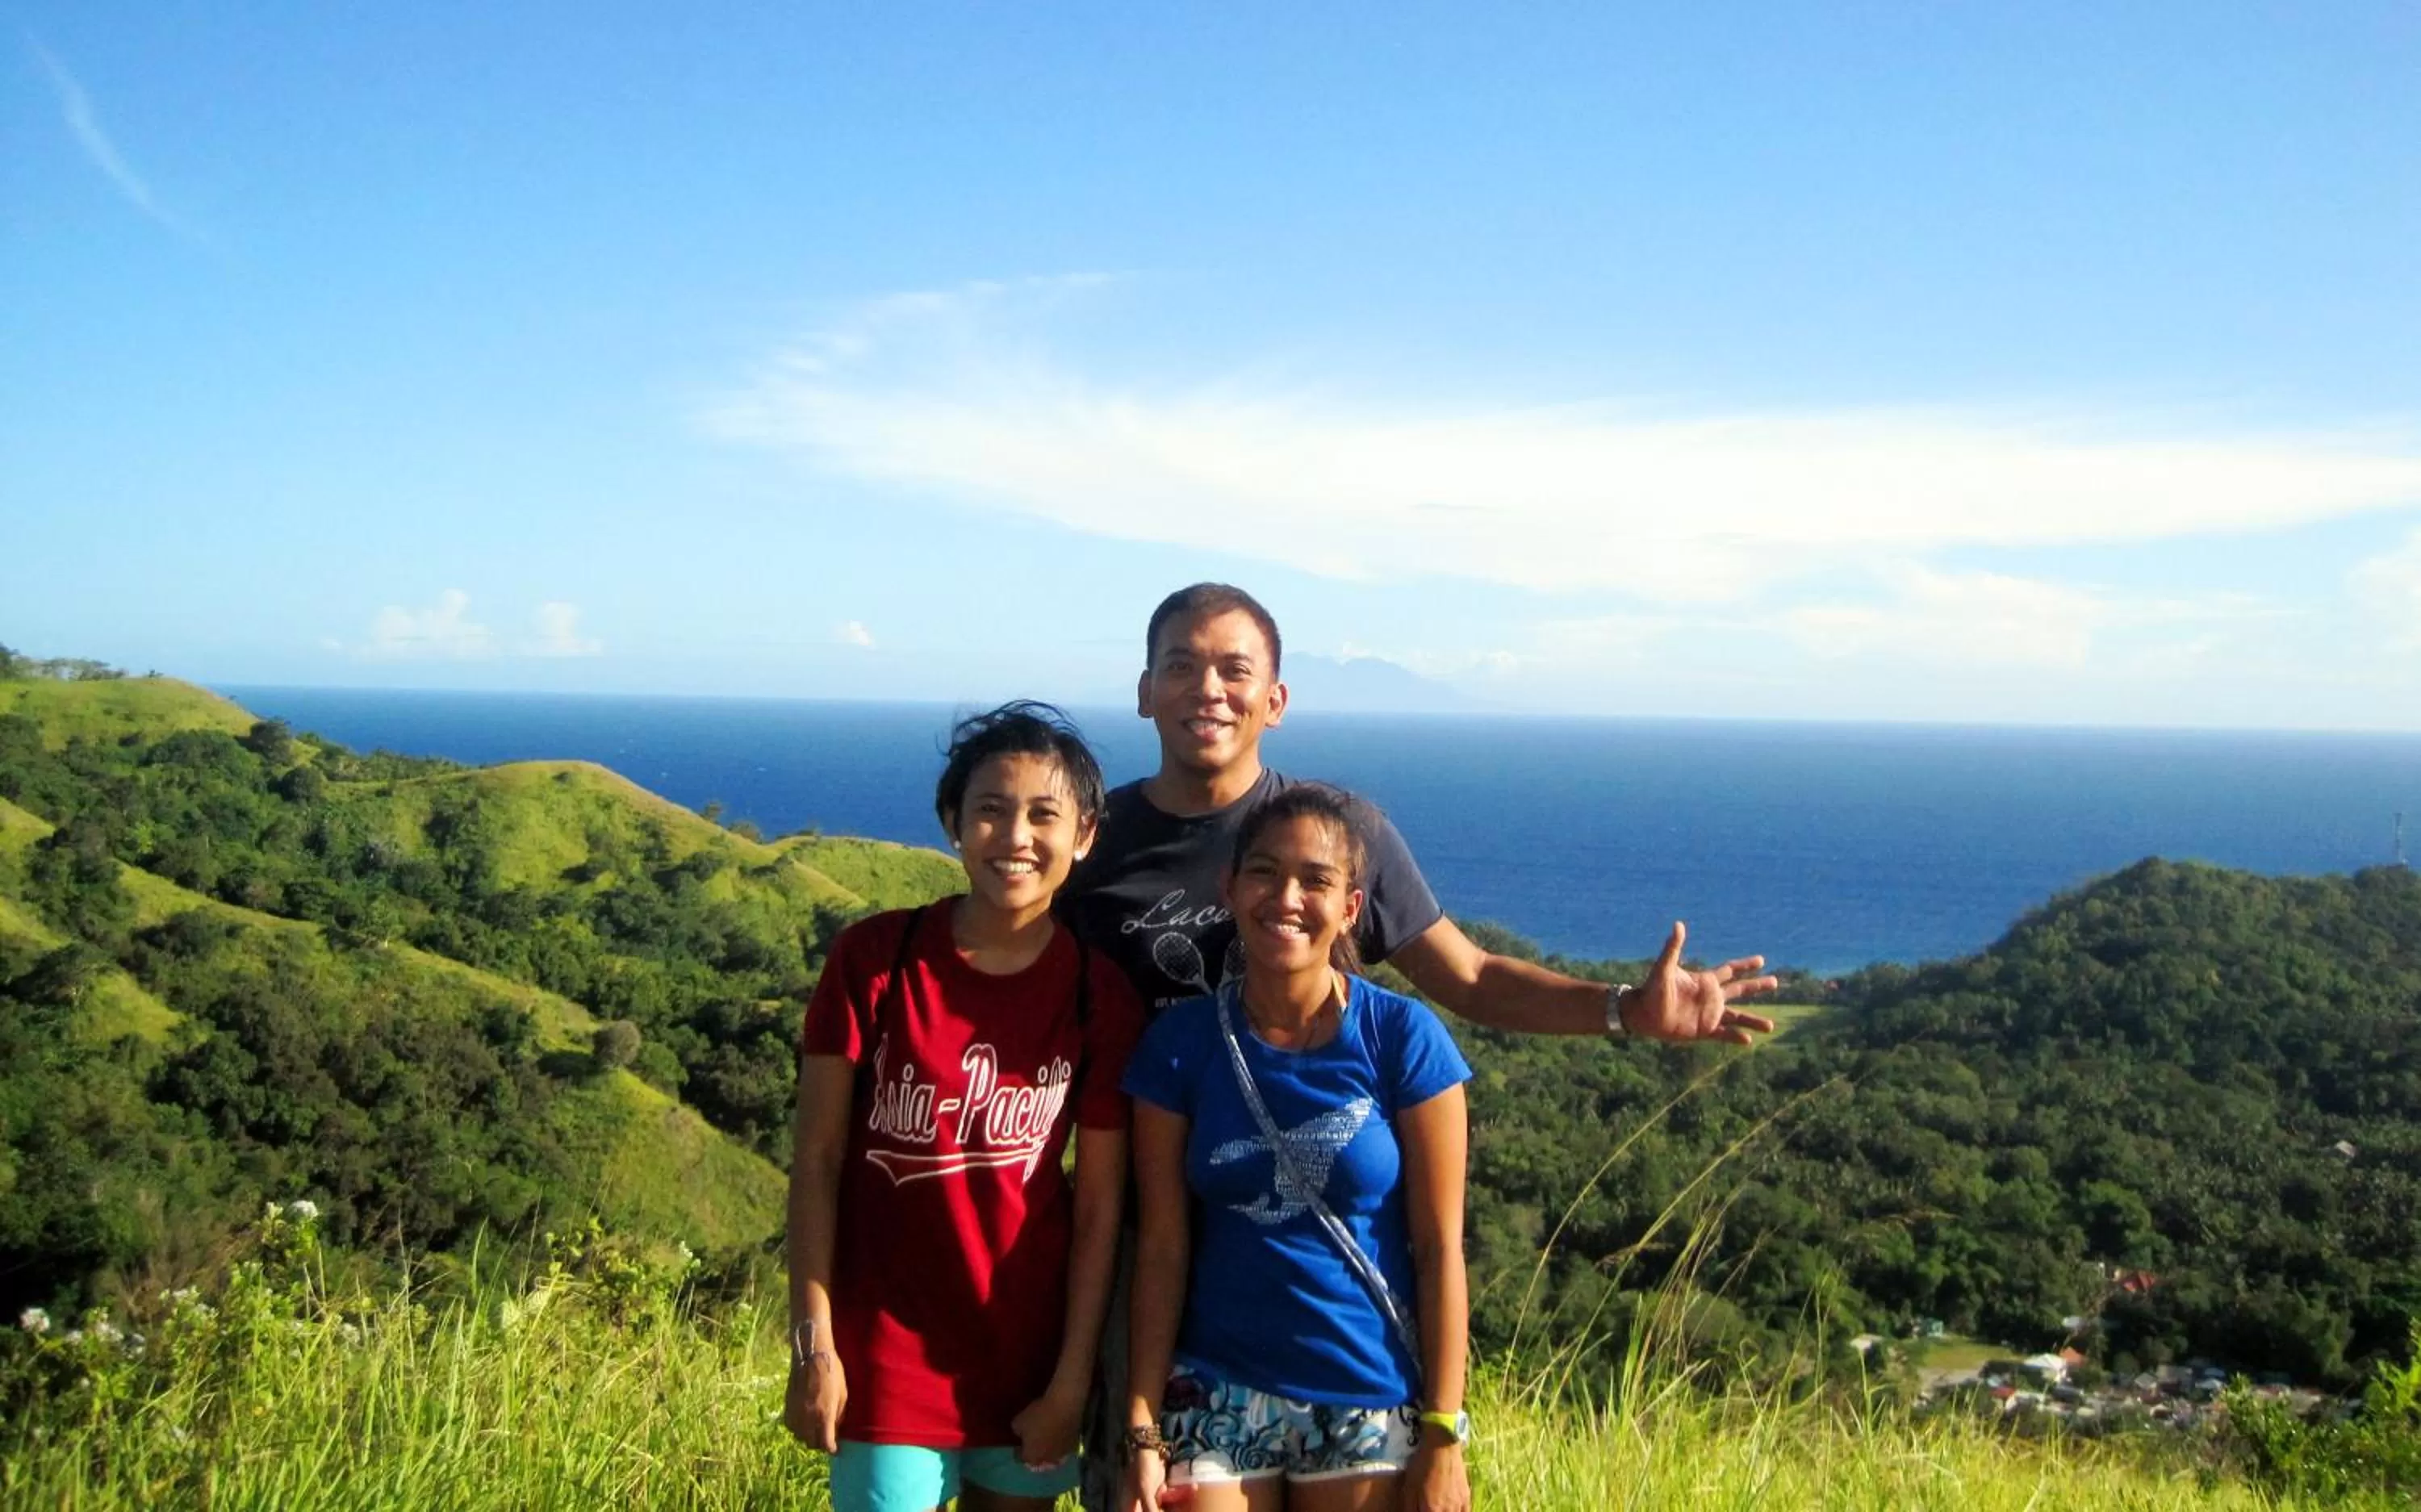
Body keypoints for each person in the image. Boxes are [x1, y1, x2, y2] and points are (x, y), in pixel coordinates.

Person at [1064, 582, 1781, 1510]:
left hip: (1333, 1286)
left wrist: (1621, 1010)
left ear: (1275, 700)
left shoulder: (1333, 833)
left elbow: (1471, 977)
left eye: (1236, 669)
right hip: (1145, 1231)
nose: (1209, 687)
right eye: (1182, 665)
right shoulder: (1092, 842)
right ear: (1144, 691)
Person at [788, 701, 1144, 1512]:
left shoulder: (1098, 993)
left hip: (1028, 1358)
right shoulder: (875, 960)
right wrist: (814, 1344)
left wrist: (1070, 1379)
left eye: (1043, 814)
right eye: (990, 808)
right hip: (882, 1355)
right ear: (953, 822)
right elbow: (816, 1161)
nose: (1015, 835)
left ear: (1085, 835)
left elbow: (1096, 1209)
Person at [1119, 784, 1471, 1512]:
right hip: (1215, 1385)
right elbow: (1161, 1245)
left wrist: (1443, 1437)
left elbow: (1440, 1248)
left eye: (1316, 880)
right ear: (1230, 887)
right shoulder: (1180, 1048)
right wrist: (1142, 1429)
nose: (1286, 897)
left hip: (1368, 1390)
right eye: (1264, 872)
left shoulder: (1403, 1040)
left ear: (1351, 906)